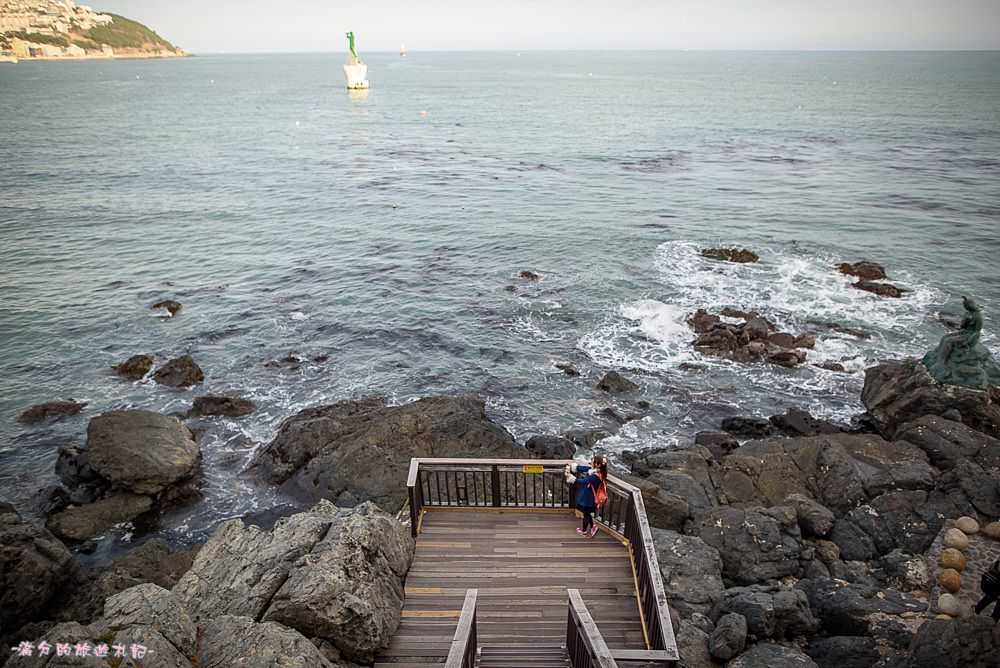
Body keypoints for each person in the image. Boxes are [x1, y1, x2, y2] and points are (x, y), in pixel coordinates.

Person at [564, 455, 608, 538]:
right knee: (587, 513)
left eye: (593, 461)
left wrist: (570, 477)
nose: (591, 461)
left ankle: (583, 531)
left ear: (598, 465)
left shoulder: (595, 476)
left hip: (589, 499)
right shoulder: (593, 470)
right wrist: (572, 465)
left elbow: (584, 481)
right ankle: (593, 527)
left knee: (586, 515)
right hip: (588, 497)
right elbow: (582, 468)